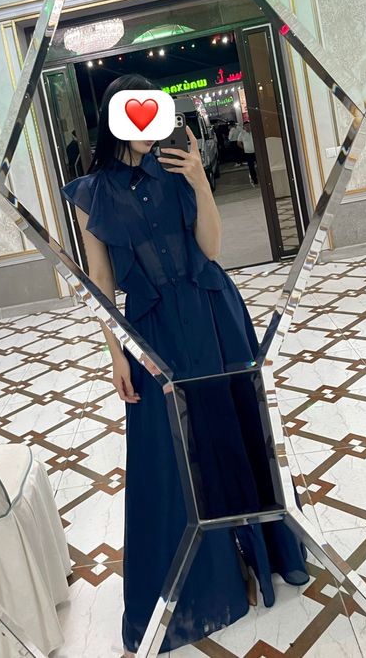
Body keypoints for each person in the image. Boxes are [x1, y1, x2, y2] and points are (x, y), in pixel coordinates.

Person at [60, 74, 309, 657]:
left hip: (214, 313)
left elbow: (213, 248)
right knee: (171, 452)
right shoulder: (92, 193)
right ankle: (207, 575)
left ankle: (261, 550)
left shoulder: (180, 166)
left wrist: (199, 179)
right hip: (154, 333)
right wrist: (115, 354)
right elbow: (101, 281)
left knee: (233, 429)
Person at [238, 120, 258, 186]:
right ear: (244, 127)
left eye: (248, 125)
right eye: (246, 126)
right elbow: (238, 143)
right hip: (248, 153)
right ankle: (254, 180)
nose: (247, 127)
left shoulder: (254, 132)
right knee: (251, 167)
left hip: (256, 152)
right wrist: (244, 148)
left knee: (260, 166)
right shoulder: (242, 133)